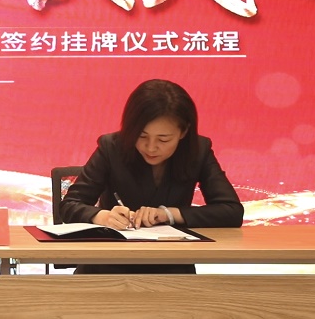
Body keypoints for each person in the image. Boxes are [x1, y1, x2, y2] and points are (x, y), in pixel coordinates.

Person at [60, 78, 243, 274]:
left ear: (183, 131)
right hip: (107, 265)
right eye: (142, 136)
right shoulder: (111, 147)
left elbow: (231, 211)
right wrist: (103, 217)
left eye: (163, 139)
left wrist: (169, 214)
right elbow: (69, 205)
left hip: (172, 266)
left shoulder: (198, 150)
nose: (151, 147)